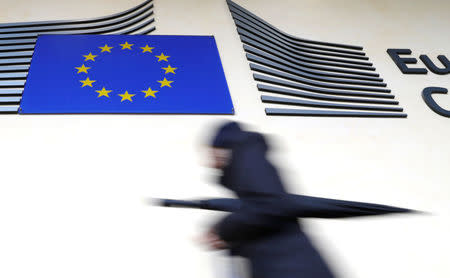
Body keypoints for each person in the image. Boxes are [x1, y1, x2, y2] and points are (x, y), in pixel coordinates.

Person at [202, 121, 336, 278]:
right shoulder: (248, 173)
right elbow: (265, 223)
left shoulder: (247, 157)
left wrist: (223, 229)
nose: (210, 163)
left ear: (223, 148)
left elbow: (269, 206)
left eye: (212, 154)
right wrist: (231, 241)